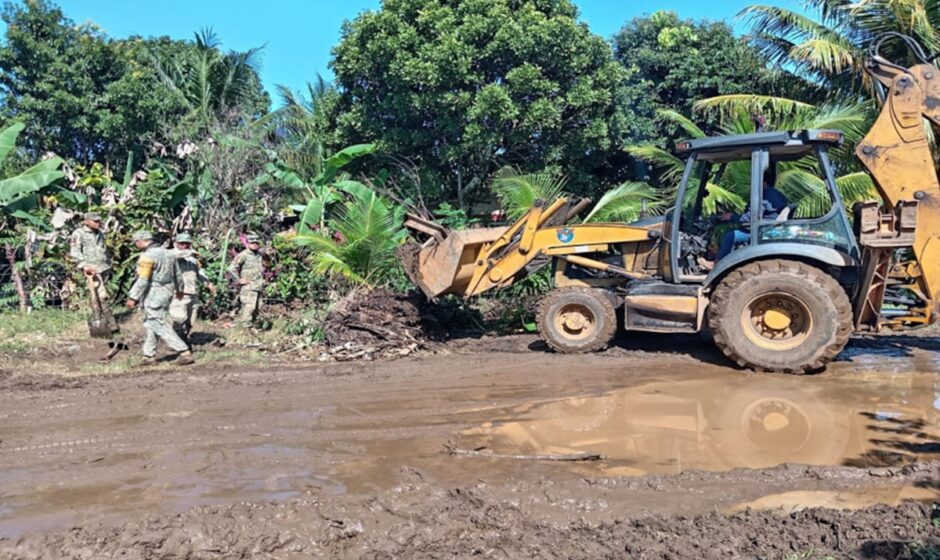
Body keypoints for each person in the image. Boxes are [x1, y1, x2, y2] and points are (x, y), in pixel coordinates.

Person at [127, 231, 194, 365]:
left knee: (158, 323)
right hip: (167, 291)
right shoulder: (169, 253)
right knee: (152, 322)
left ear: (141, 241)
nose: (135, 245)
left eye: (135, 243)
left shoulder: (147, 256)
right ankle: (148, 355)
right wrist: (180, 289)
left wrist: (133, 297)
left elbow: (143, 279)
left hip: (154, 292)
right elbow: (178, 274)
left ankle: (184, 351)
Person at [702, 169, 789, 270]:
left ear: (763, 182)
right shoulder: (776, 194)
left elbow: (751, 218)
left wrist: (731, 217)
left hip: (762, 231)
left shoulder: (766, 196)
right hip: (767, 227)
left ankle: (716, 265)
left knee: (731, 235)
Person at [170, 232, 212, 345]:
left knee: (190, 320)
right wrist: (189, 253)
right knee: (179, 319)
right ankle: (179, 344)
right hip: (178, 293)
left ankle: (184, 338)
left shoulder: (192, 259)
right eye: (182, 243)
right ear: (176, 243)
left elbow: (199, 272)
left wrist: (207, 283)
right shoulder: (170, 254)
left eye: (187, 244)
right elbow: (175, 257)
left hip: (192, 292)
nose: (185, 246)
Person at [69, 212, 112, 305]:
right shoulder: (79, 233)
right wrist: (84, 265)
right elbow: (75, 251)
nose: (98, 223)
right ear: (86, 222)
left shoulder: (100, 233)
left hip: (104, 266)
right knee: (102, 295)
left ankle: (98, 316)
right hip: (91, 268)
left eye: (98, 221)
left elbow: (103, 248)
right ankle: (106, 317)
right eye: (95, 221)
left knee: (100, 293)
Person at [228, 234, 264, 326]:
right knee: (249, 308)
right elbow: (231, 268)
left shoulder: (259, 254)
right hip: (248, 287)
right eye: (252, 243)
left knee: (258, 308)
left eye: (256, 243)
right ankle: (245, 330)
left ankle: (254, 329)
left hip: (258, 286)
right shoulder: (244, 255)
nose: (255, 244)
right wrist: (239, 280)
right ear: (248, 244)